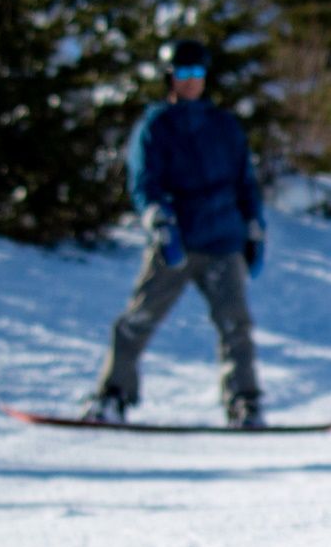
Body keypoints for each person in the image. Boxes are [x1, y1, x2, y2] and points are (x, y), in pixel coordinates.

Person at [81, 40, 268, 428]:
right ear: (170, 78)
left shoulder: (224, 126)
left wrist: (254, 225)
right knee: (138, 319)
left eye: (197, 74)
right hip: (176, 243)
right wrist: (156, 219)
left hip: (222, 240)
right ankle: (112, 395)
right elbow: (144, 182)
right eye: (183, 74)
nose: (191, 82)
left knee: (236, 325)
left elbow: (244, 182)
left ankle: (245, 402)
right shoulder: (156, 126)